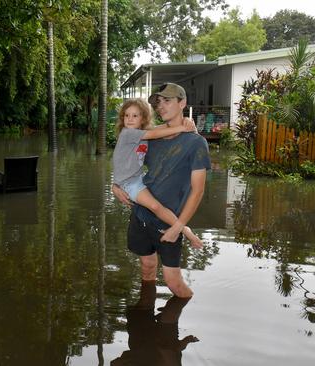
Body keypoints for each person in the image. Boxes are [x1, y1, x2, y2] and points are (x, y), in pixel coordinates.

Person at [112, 83, 211, 298]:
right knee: (147, 268)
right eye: (158, 102)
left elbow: (198, 191)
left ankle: (179, 319)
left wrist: (180, 226)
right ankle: (144, 316)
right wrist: (115, 185)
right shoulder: (150, 137)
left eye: (167, 100)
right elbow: (127, 162)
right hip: (140, 214)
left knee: (174, 283)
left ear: (182, 103)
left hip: (169, 222)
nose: (161, 106)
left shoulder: (196, 143)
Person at [112, 98, 203, 248]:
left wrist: (184, 121)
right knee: (155, 207)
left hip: (137, 178)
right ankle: (185, 230)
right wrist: (182, 128)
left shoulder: (140, 133)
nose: (129, 119)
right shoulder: (127, 133)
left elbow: (159, 128)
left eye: (135, 116)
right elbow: (155, 134)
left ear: (143, 118)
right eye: (126, 116)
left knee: (153, 205)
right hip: (128, 183)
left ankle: (164, 227)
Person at [110, 280, 198, 365]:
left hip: (142, 342)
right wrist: (186, 341)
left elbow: (115, 362)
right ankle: (173, 282)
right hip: (164, 344)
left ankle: (152, 272)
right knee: (173, 308)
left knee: (147, 300)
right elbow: (174, 349)